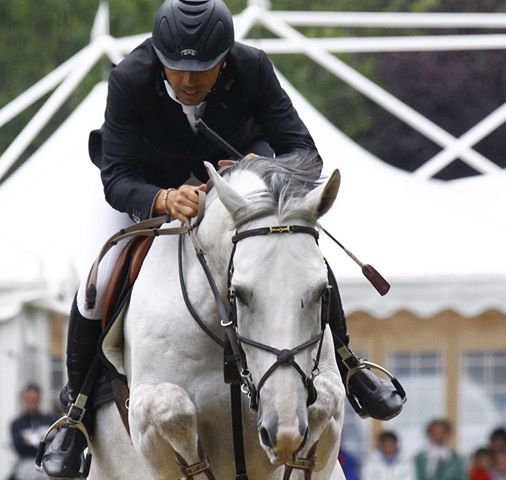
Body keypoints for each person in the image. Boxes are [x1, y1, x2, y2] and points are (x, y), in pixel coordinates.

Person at [40, 0, 404, 477]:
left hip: (239, 190)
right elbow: (117, 177)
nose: (189, 82)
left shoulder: (253, 67)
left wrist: (258, 170)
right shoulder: (130, 78)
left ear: (225, 60)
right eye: (178, 71)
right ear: (160, 58)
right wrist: (165, 199)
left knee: (296, 252)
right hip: (147, 187)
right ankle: (77, 411)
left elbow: (305, 155)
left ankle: (349, 364)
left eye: (202, 71)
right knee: (102, 274)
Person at [9, 384, 57, 480]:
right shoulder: (17, 423)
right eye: (28, 399)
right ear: (23, 400)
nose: (31, 403)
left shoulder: (50, 420)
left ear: (39, 400)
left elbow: (55, 445)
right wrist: (43, 440)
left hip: (48, 462)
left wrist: (28, 439)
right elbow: (19, 448)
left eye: (35, 400)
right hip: (26, 463)